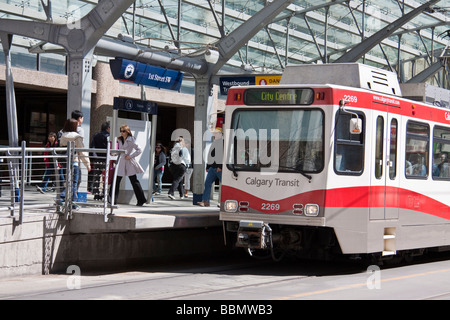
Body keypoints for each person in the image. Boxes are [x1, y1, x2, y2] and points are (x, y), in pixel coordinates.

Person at [111, 125, 147, 206]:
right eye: (121, 131)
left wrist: (130, 156)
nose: (122, 133)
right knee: (116, 180)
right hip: (121, 161)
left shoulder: (131, 139)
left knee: (134, 181)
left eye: (123, 131)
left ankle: (141, 200)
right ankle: (112, 200)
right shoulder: (119, 139)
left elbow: (139, 150)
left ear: (127, 131)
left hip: (128, 161)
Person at [59, 118, 91, 208]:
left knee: (67, 182)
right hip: (74, 162)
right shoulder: (77, 137)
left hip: (64, 163)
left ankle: (64, 199)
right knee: (74, 183)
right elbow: (82, 152)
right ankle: (71, 202)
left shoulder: (62, 136)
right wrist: (87, 164)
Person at [197, 128, 223, 207]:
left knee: (224, 186)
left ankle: (222, 202)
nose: (214, 135)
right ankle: (206, 201)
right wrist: (208, 166)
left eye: (215, 133)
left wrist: (220, 166)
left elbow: (224, 155)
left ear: (220, 134)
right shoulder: (215, 143)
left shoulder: (223, 143)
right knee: (207, 183)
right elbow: (211, 155)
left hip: (219, 168)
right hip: (212, 167)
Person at [90, 122, 110, 200]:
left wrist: (94, 156)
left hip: (97, 159)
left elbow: (92, 146)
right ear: (108, 128)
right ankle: (104, 193)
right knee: (106, 177)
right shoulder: (108, 136)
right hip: (106, 159)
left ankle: (96, 194)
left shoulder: (95, 135)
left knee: (96, 177)